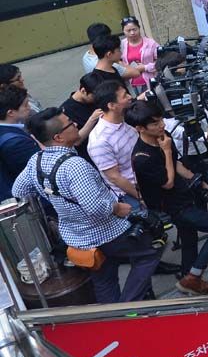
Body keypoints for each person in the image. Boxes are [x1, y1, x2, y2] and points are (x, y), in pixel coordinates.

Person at [11, 108, 161, 303]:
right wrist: (117, 208)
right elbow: (95, 207)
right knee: (150, 253)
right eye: (70, 124)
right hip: (109, 232)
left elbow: (19, 190)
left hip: (78, 238)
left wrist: (55, 197)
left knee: (104, 280)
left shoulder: (36, 161)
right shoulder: (75, 166)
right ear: (58, 137)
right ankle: (129, 306)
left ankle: (115, 318)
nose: (75, 124)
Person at [126, 100, 208, 295]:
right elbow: (168, 182)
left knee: (189, 238)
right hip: (171, 206)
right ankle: (194, 276)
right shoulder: (142, 158)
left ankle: (188, 279)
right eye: (155, 123)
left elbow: (177, 164)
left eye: (161, 120)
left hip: (183, 195)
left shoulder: (163, 136)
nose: (161, 125)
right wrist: (166, 151)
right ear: (139, 128)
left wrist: (198, 181)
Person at [87, 81, 143, 209]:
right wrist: (141, 197)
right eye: (124, 96)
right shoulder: (99, 141)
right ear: (111, 105)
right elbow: (115, 177)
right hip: (132, 194)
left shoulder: (125, 120)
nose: (130, 97)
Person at [0, 86, 39, 201]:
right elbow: (37, 171)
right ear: (11, 112)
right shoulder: (16, 143)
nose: (29, 107)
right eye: (25, 105)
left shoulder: (8, 132)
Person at [59, 72, 106, 165]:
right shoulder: (67, 111)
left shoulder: (93, 100)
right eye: (94, 96)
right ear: (83, 91)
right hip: (91, 155)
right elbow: (76, 141)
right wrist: (92, 119)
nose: (97, 99)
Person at [119, 16, 159, 94]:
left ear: (139, 28)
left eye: (134, 29)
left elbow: (162, 60)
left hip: (150, 81)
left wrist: (145, 67)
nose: (132, 33)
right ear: (123, 31)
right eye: (128, 30)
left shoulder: (150, 43)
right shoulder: (122, 44)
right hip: (131, 84)